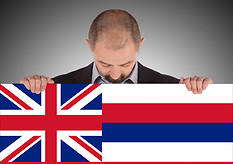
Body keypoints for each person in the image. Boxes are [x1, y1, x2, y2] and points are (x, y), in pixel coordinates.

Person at [20, 9, 213, 94]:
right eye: (104, 63)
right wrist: (29, 92)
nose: (115, 75)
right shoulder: (56, 89)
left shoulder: (173, 90)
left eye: (125, 63)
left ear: (140, 45)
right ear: (89, 46)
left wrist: (202, 93)